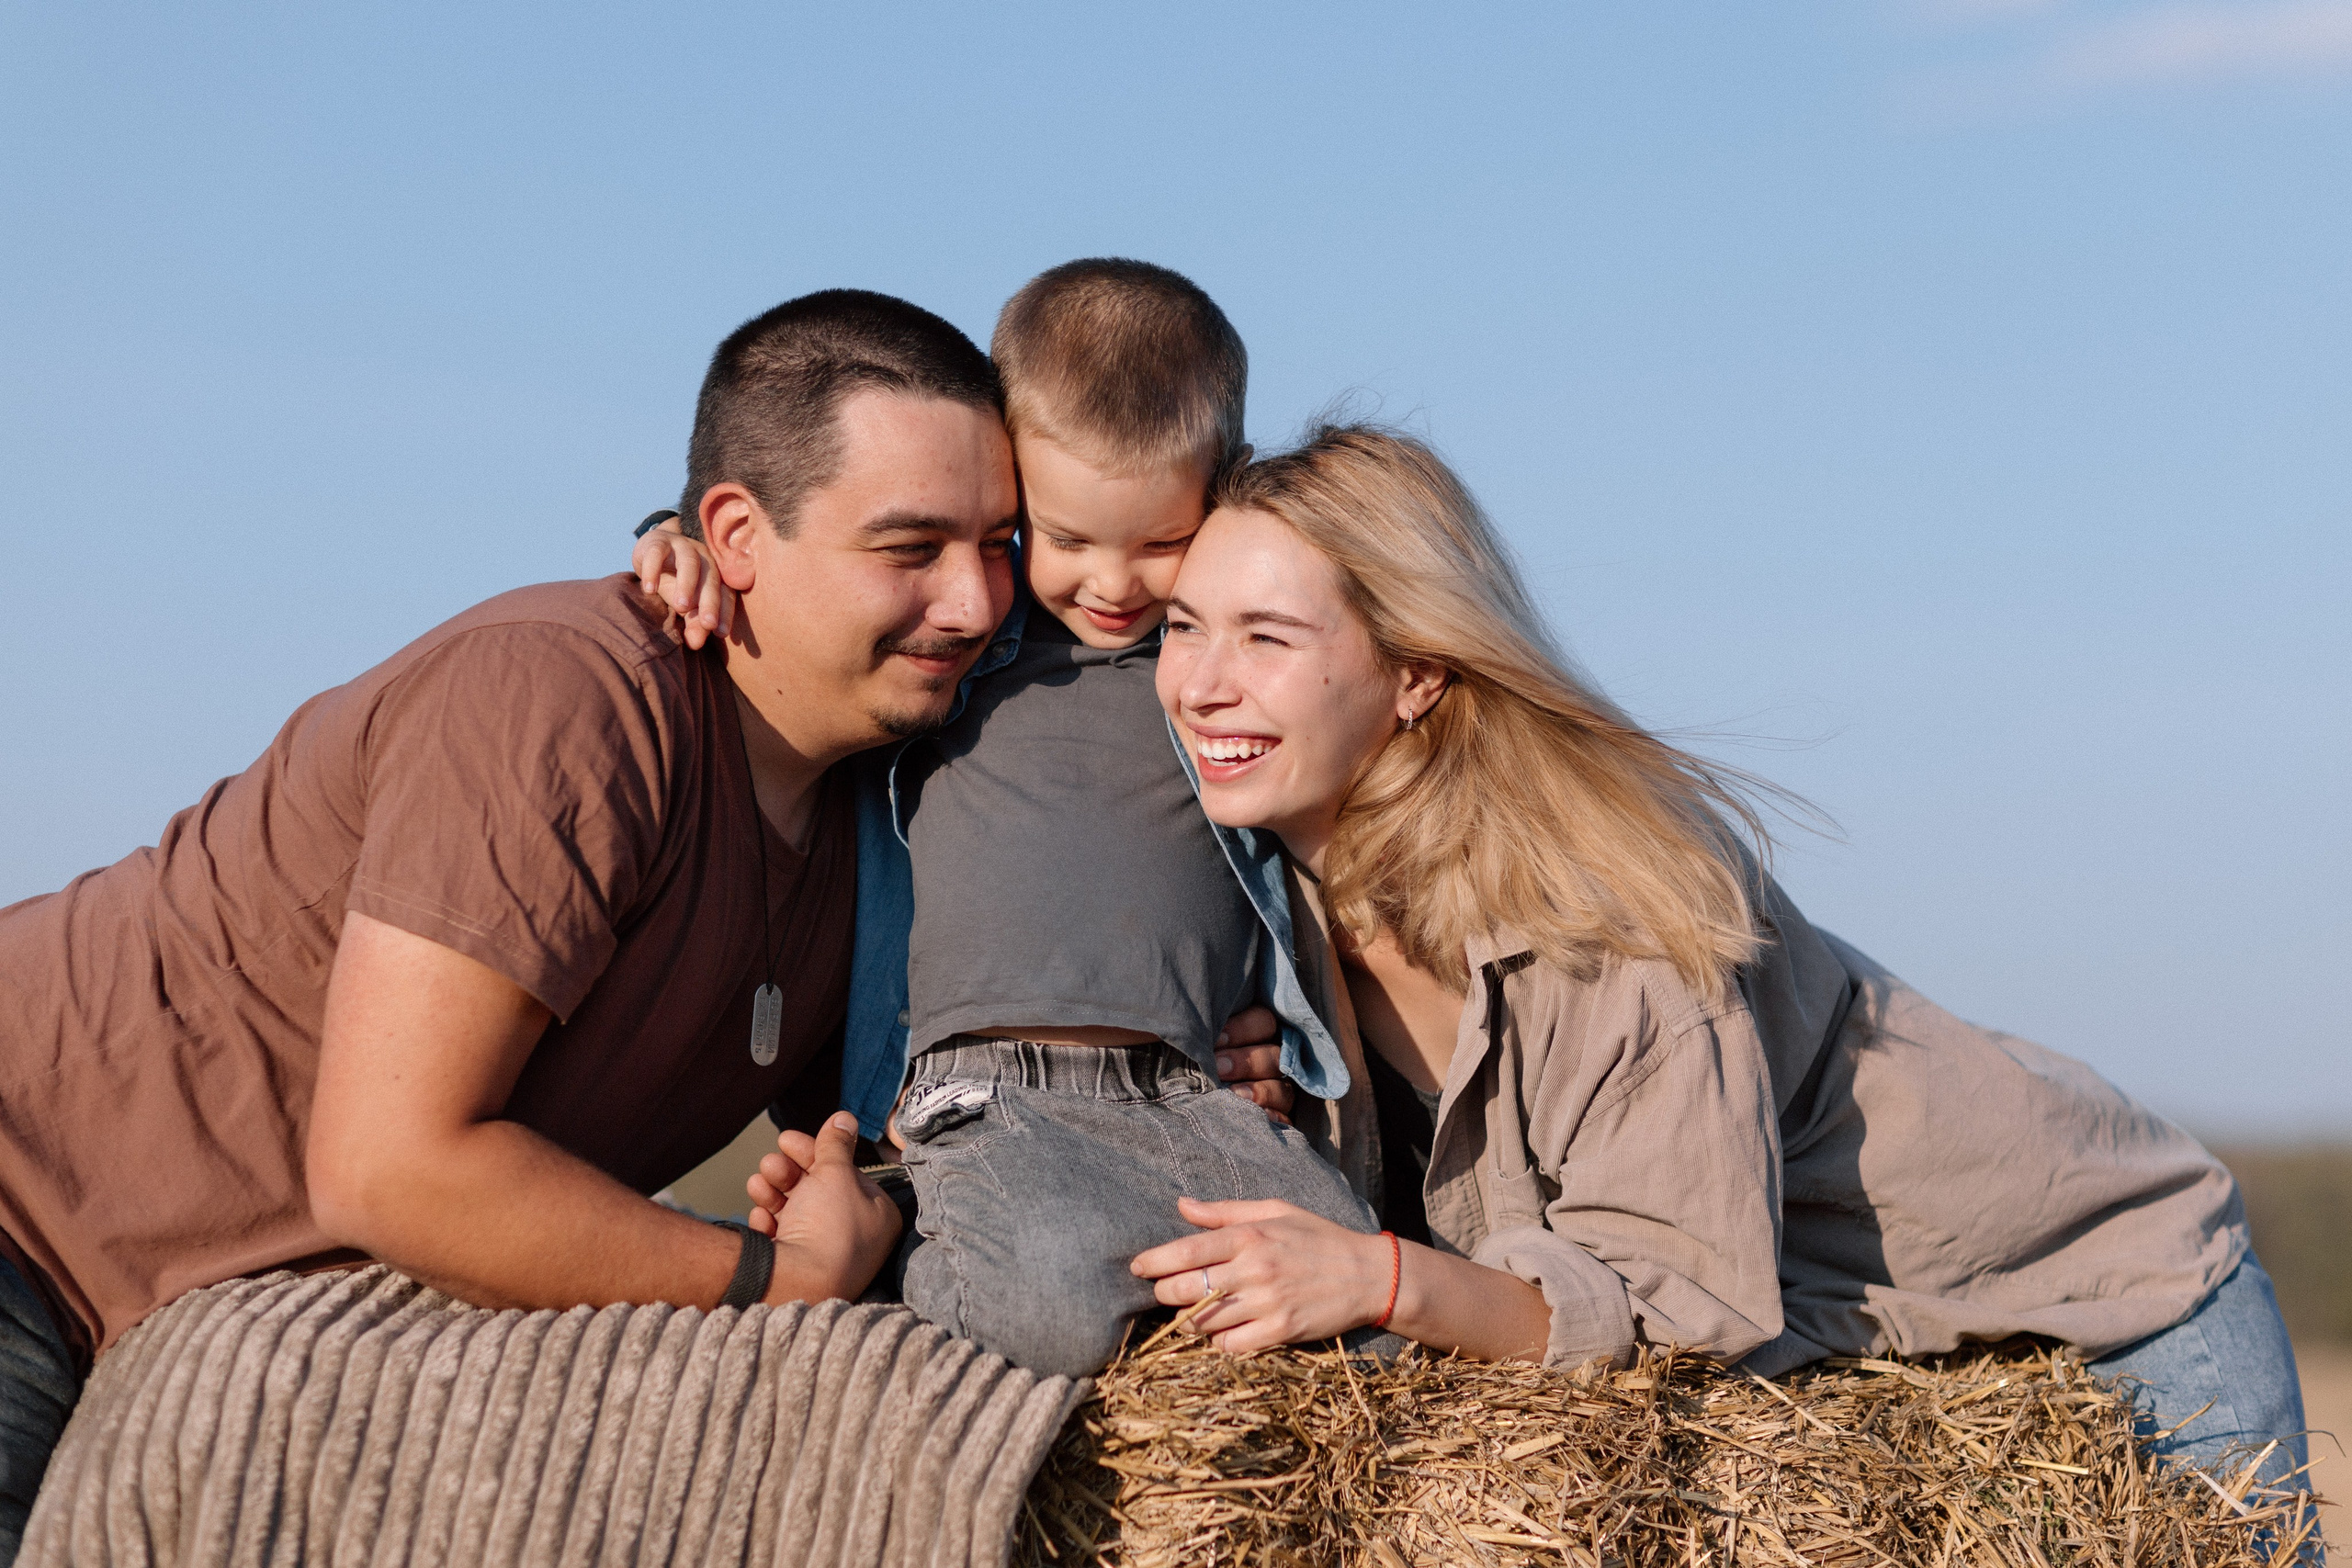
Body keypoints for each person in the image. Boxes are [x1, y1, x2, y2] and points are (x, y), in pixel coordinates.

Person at [1127, 424, 2316, 1517]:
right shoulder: (1270, 885)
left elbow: (1672, 1304)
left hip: (2107, 1299)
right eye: (1184, 624)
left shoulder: (1602, 912)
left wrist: (1377, 1274)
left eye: (1267, 636)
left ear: (1418, 672)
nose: (1201, 681)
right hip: (1878, 1350)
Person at [0, 289, 1011, 1563]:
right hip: (23, 1217)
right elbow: (392, 1164)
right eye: (912, 546)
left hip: (167, 1341)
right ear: (736, 535)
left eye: (1001, 541)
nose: (977, 600)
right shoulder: (565, 697)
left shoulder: (886, 828)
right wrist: (773, 1283)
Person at [640, 260, 1376, 1378]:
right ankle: (895, 1243)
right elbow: (806, 588)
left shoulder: (1221, 674)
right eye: (1064, 538)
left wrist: (1281, 1036)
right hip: (991, 1090)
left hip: (1190, 1089)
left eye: (1158, 542)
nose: (1113, 584)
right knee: (1027, 1316)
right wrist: (675, 536)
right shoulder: (965, 650)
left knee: (1361, 1308)